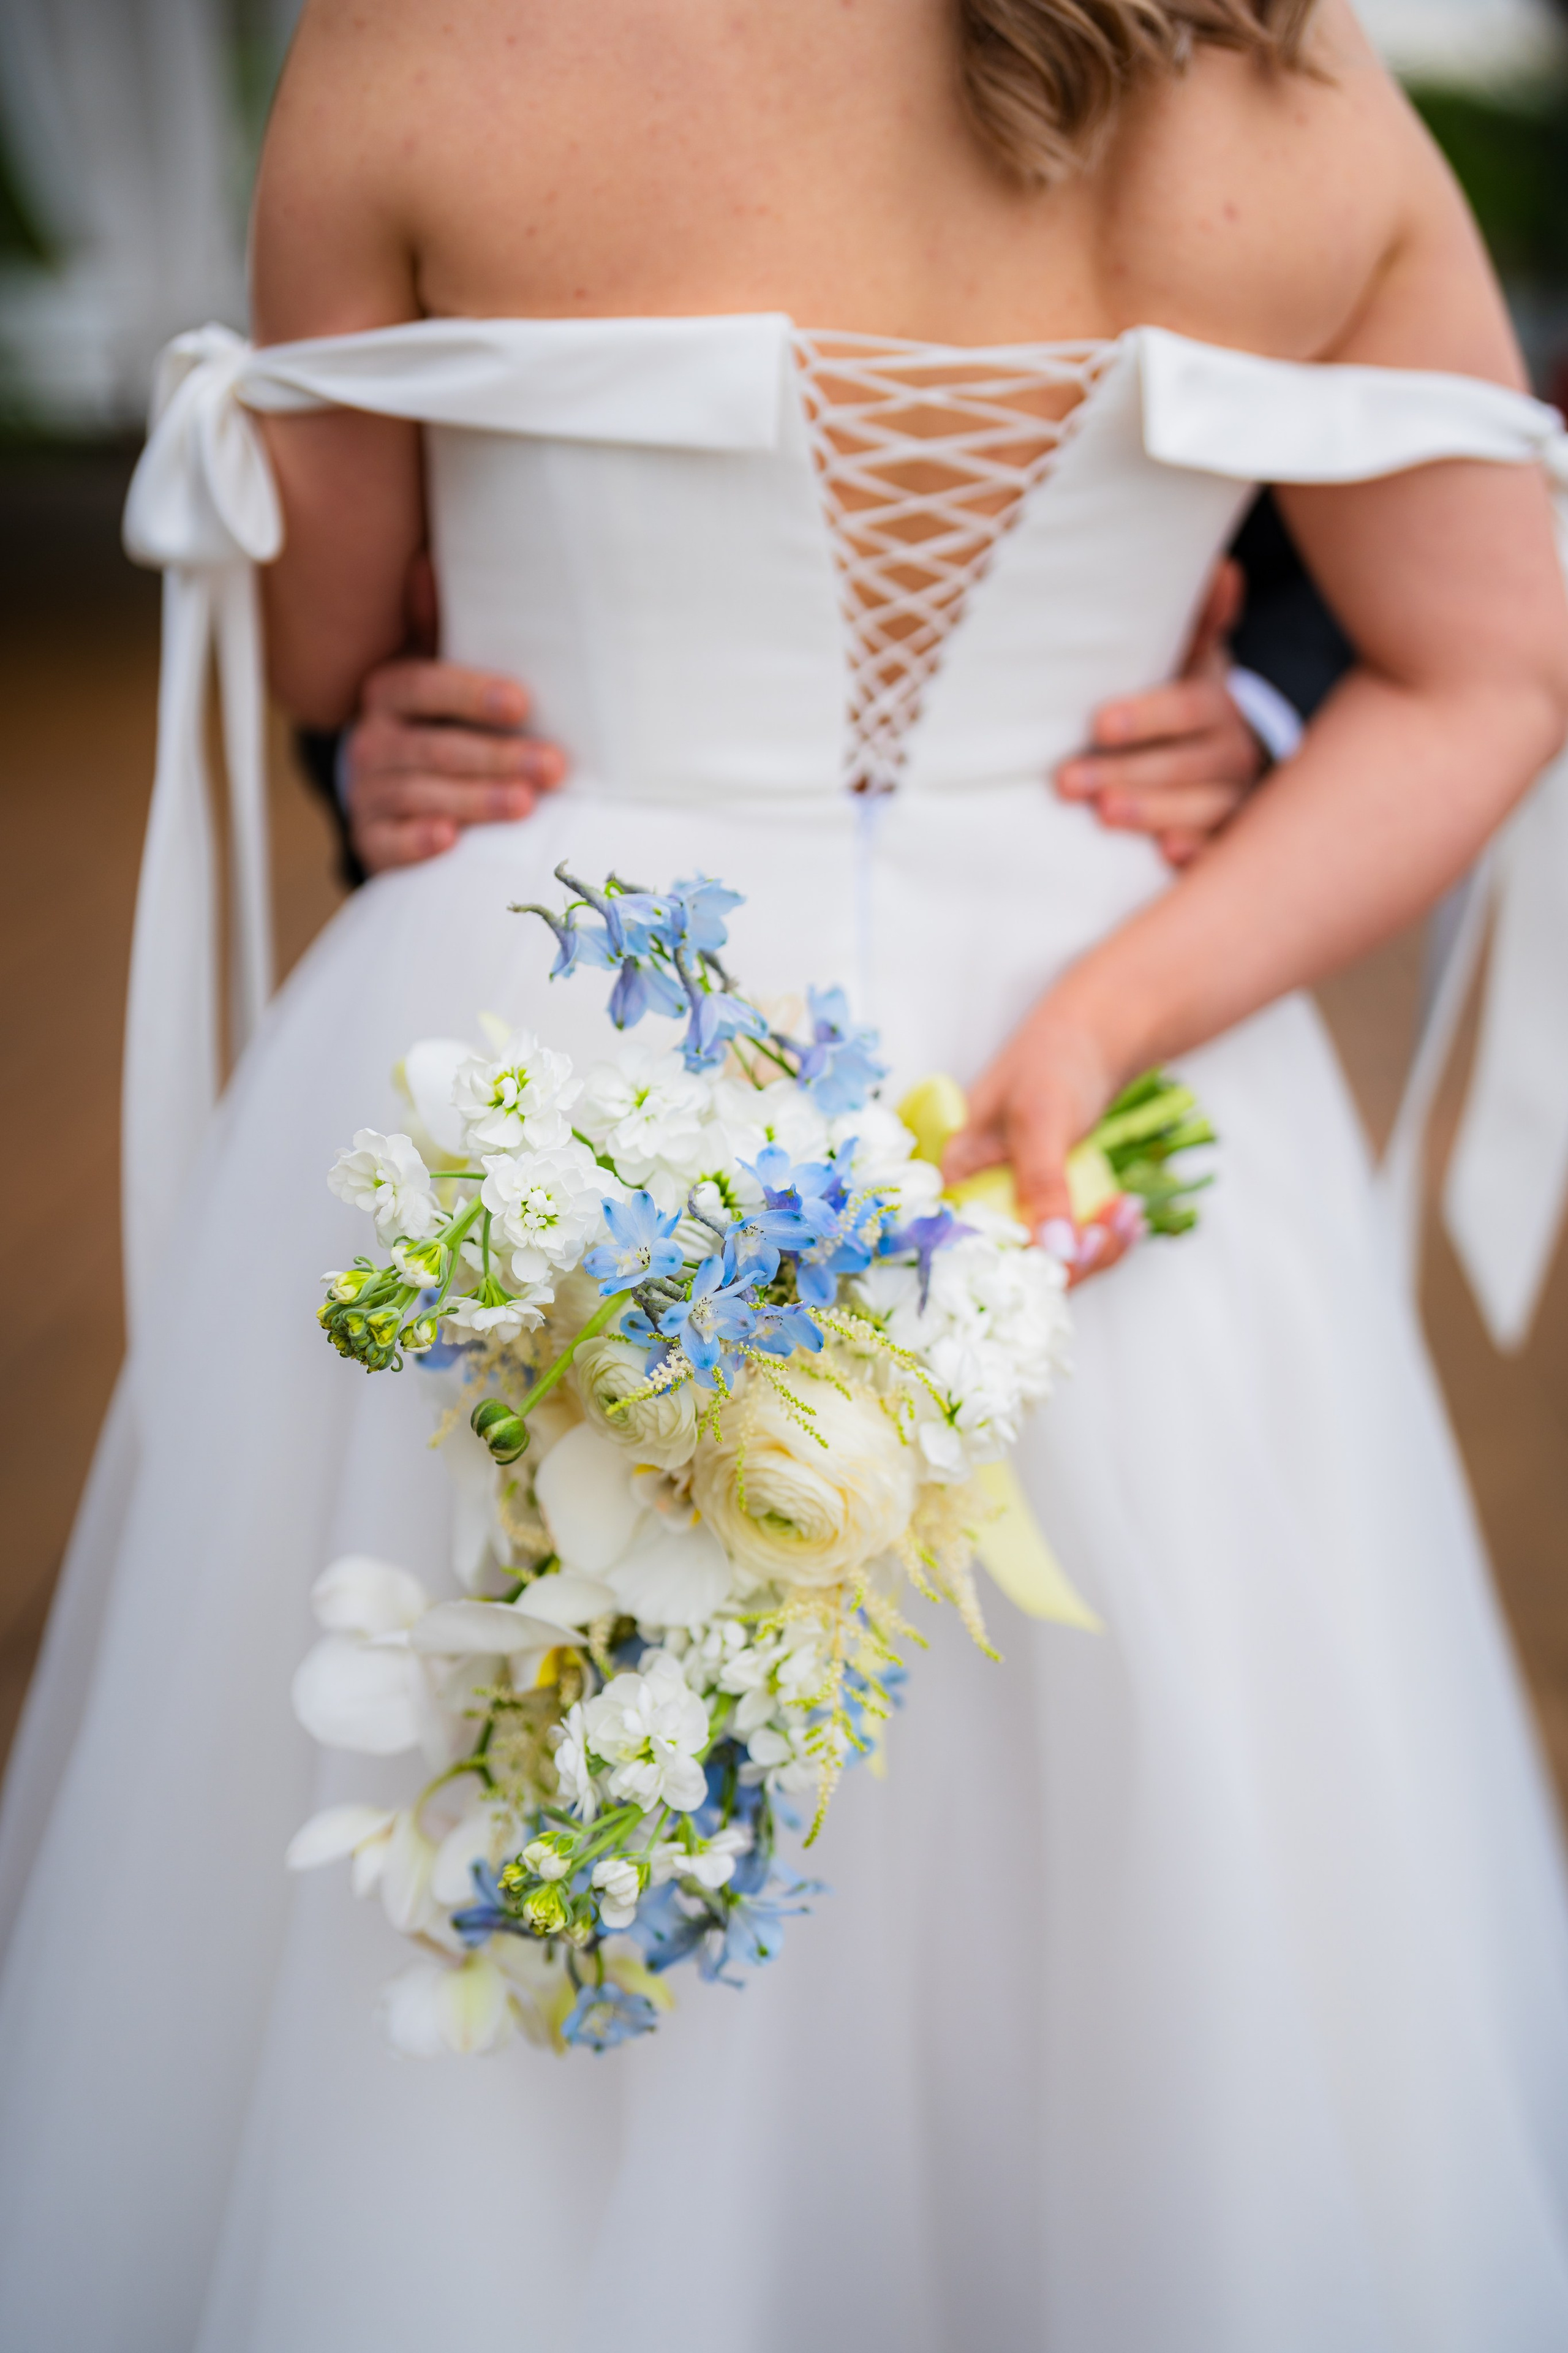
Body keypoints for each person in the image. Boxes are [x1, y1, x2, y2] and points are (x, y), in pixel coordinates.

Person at [4, 4, 1568, 2348]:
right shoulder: (1297, 89)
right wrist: (1111, 1013)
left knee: (446, 1861)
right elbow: (1493, 663)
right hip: (1087, 1097)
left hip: (542, 1042)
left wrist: (398, 698)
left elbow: (340, 648)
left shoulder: (423, 48)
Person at [300, 496, 1337, 880]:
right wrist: (367, 748)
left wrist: (1257, 714)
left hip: (1099, 917)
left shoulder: (1228, 42)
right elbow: (329, 611)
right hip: (570, 915)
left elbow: (1447, 570)